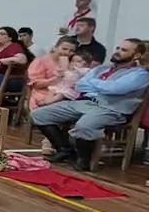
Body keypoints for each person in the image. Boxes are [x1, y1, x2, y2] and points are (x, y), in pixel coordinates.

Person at [31, 38, 149, 171]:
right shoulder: (102, 68)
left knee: (84, 125)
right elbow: (80, 85)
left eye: (124, 50)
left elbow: (114, 89)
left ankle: (84, 160)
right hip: (87, 102)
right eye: (118, 48)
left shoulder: (140, 74)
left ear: (137, 55)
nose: (118, 52)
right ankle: (65, 150)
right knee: (39, 114)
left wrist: (94, 84)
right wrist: (101, 87)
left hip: (112, 109)